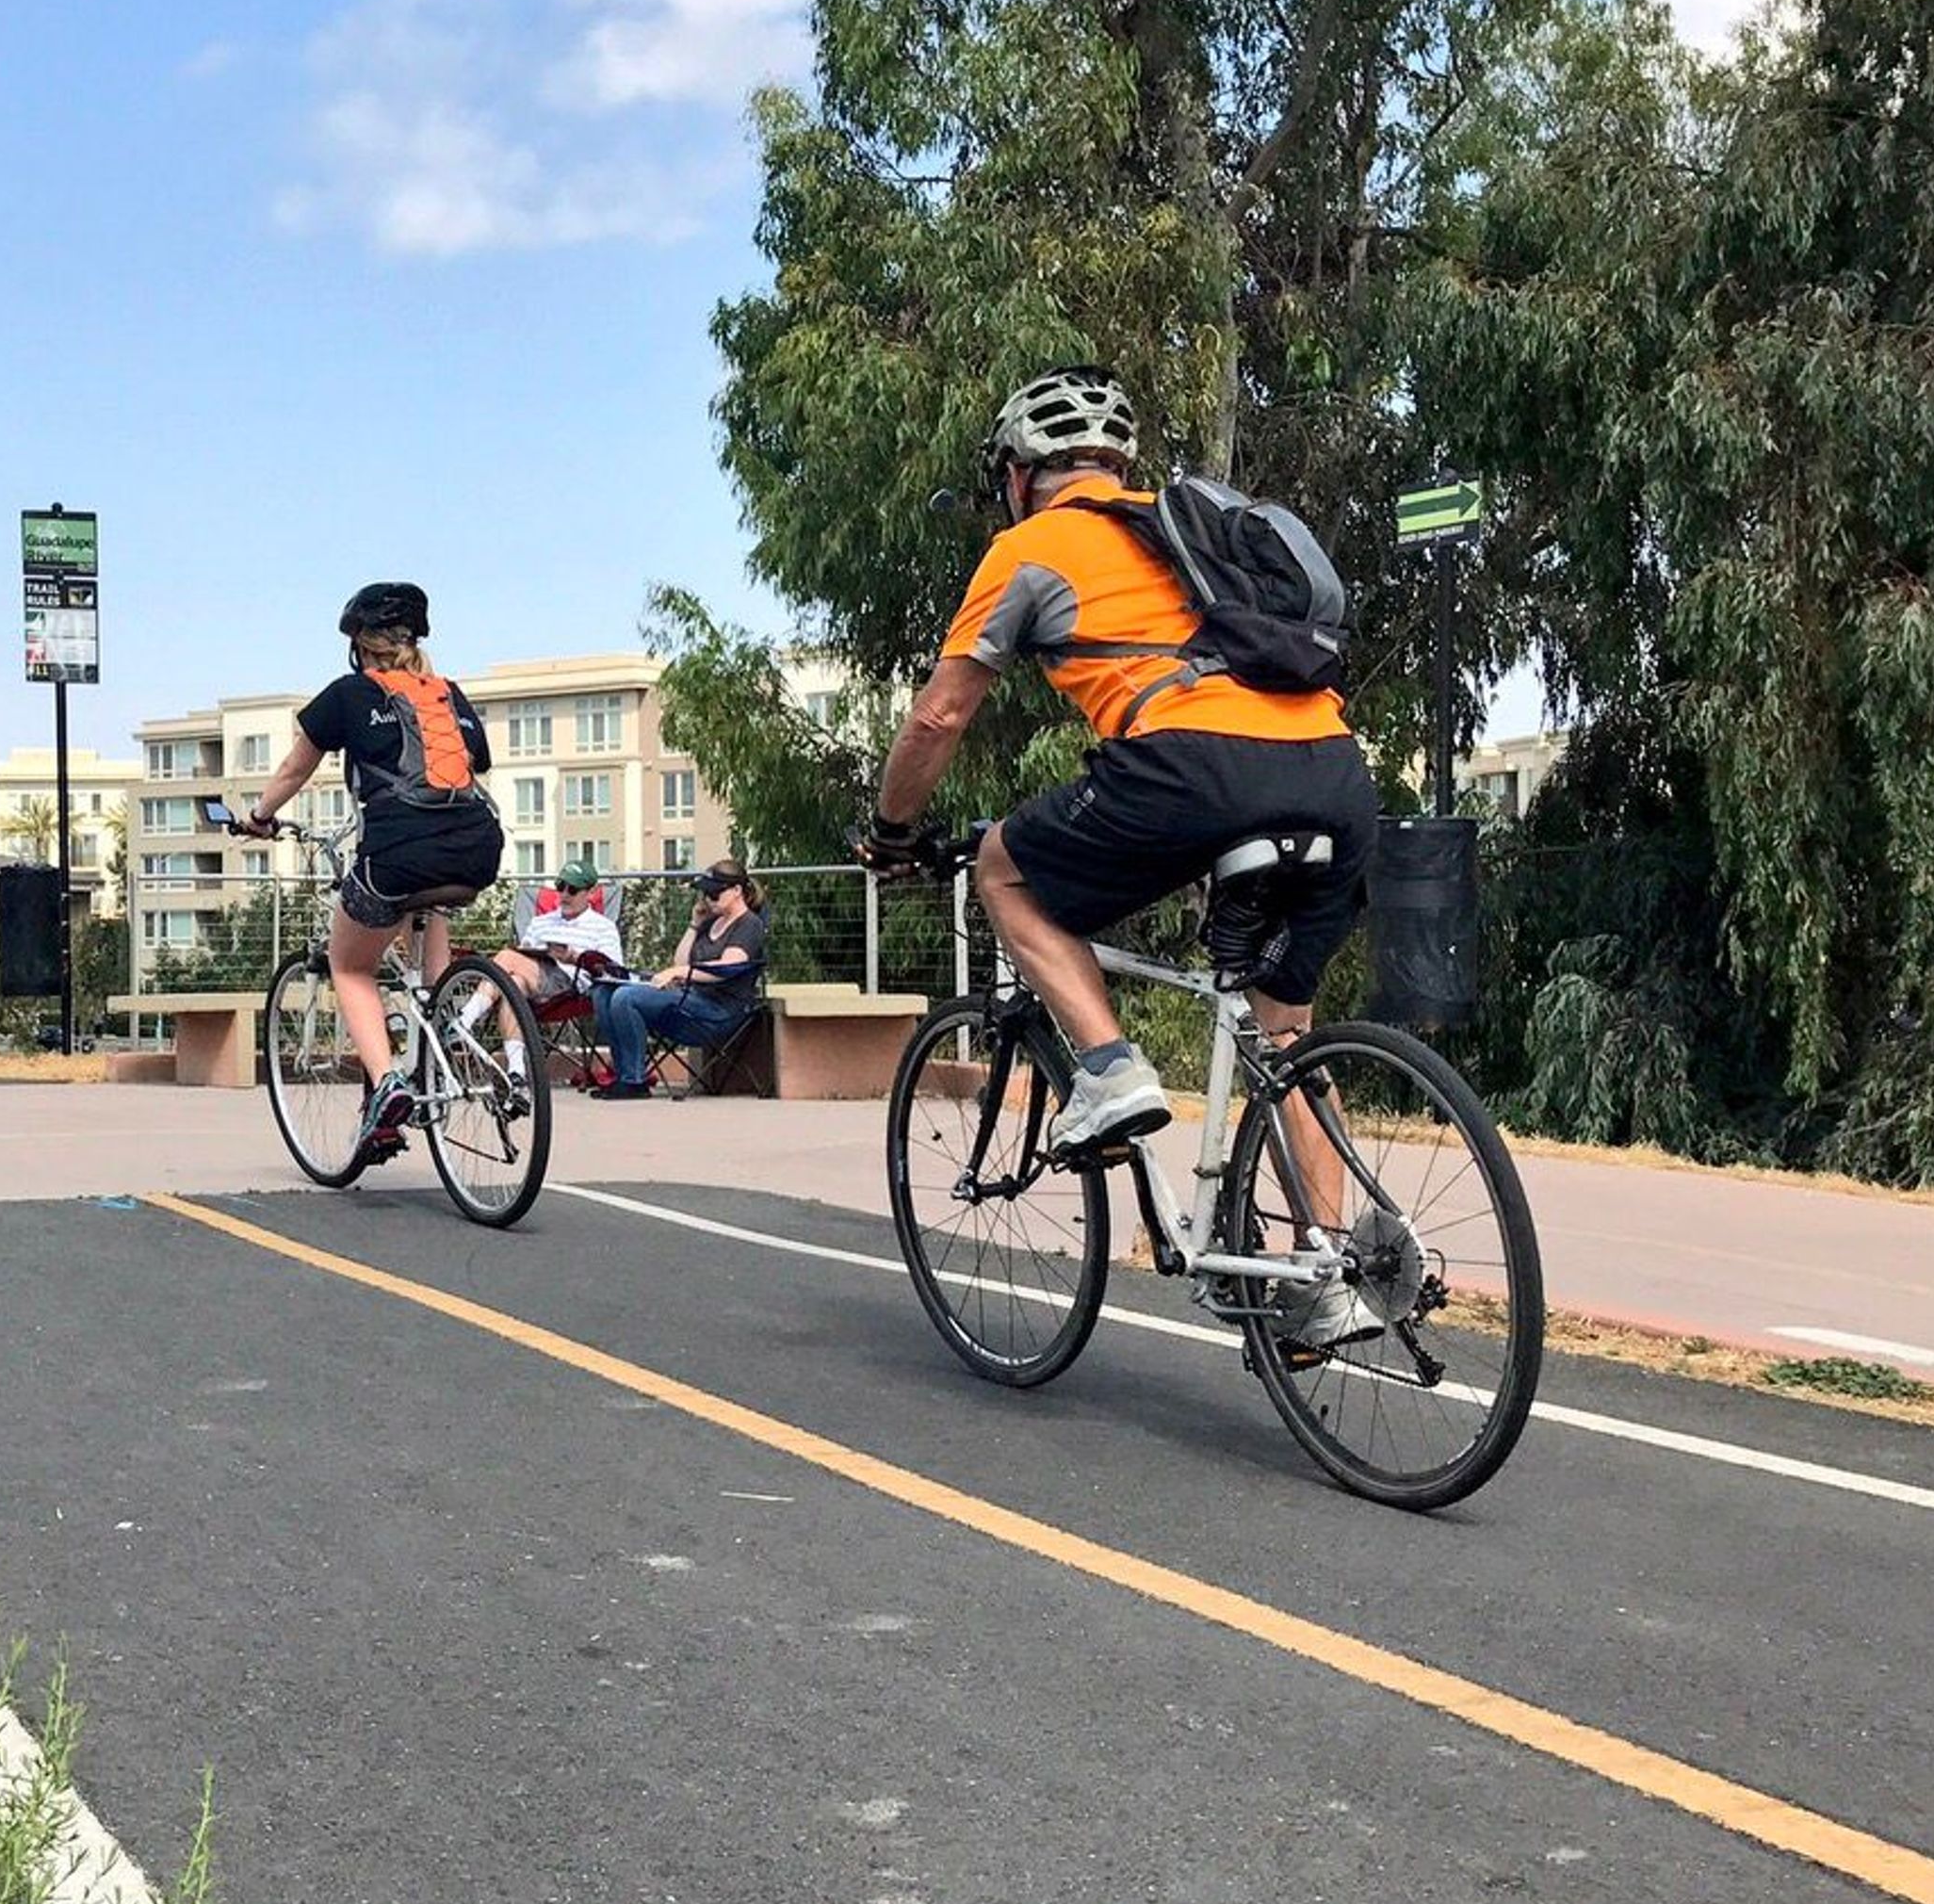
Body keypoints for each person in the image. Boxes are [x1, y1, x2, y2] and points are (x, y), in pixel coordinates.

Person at [858, 364, 1379, 1347]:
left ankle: (1108, 1069)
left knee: (1004, 868)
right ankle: (1332, 1267)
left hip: (1194, 767)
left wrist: (891, 832)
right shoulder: (1188, 528)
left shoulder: (1032, 545)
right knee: (1284, 1035)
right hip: (1337, 774)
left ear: (1018, 473)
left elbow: (939, 715)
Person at [231, 582, 505, 1168]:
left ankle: (387, 1085)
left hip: (401, 850)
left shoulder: (349, 694)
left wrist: (258, 818)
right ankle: (446, 1021)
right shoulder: (447, 694)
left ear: (359, 645)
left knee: (350, 964)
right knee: (425, 917)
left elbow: (292, 769)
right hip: (478, 846)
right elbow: (474, 763)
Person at [586, 860, 766, 1098]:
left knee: (626, 997)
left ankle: (634, 1081)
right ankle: (623, 1074)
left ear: (737, 891)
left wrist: (677, 973)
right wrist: (694, 925)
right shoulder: (710, 922)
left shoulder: (749, 925)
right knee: (604, 992)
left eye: (714, 892)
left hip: (719, 1012)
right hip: (689, 1001)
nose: (708, 898)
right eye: (705, 893)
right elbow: (681, 963)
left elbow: (729, 965)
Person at [495, 863, 623, 1002]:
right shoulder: (539, 922)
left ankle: (469, 1015)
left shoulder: (604, 927)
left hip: (570, 986)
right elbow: (524, 950)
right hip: (535, 978)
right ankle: (470, 1017)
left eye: (572, 890)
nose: (565, 895)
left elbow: (614, 972)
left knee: (506, 957)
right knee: (515, 984)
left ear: (590, 893)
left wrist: (575, 958)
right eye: (561, 887)